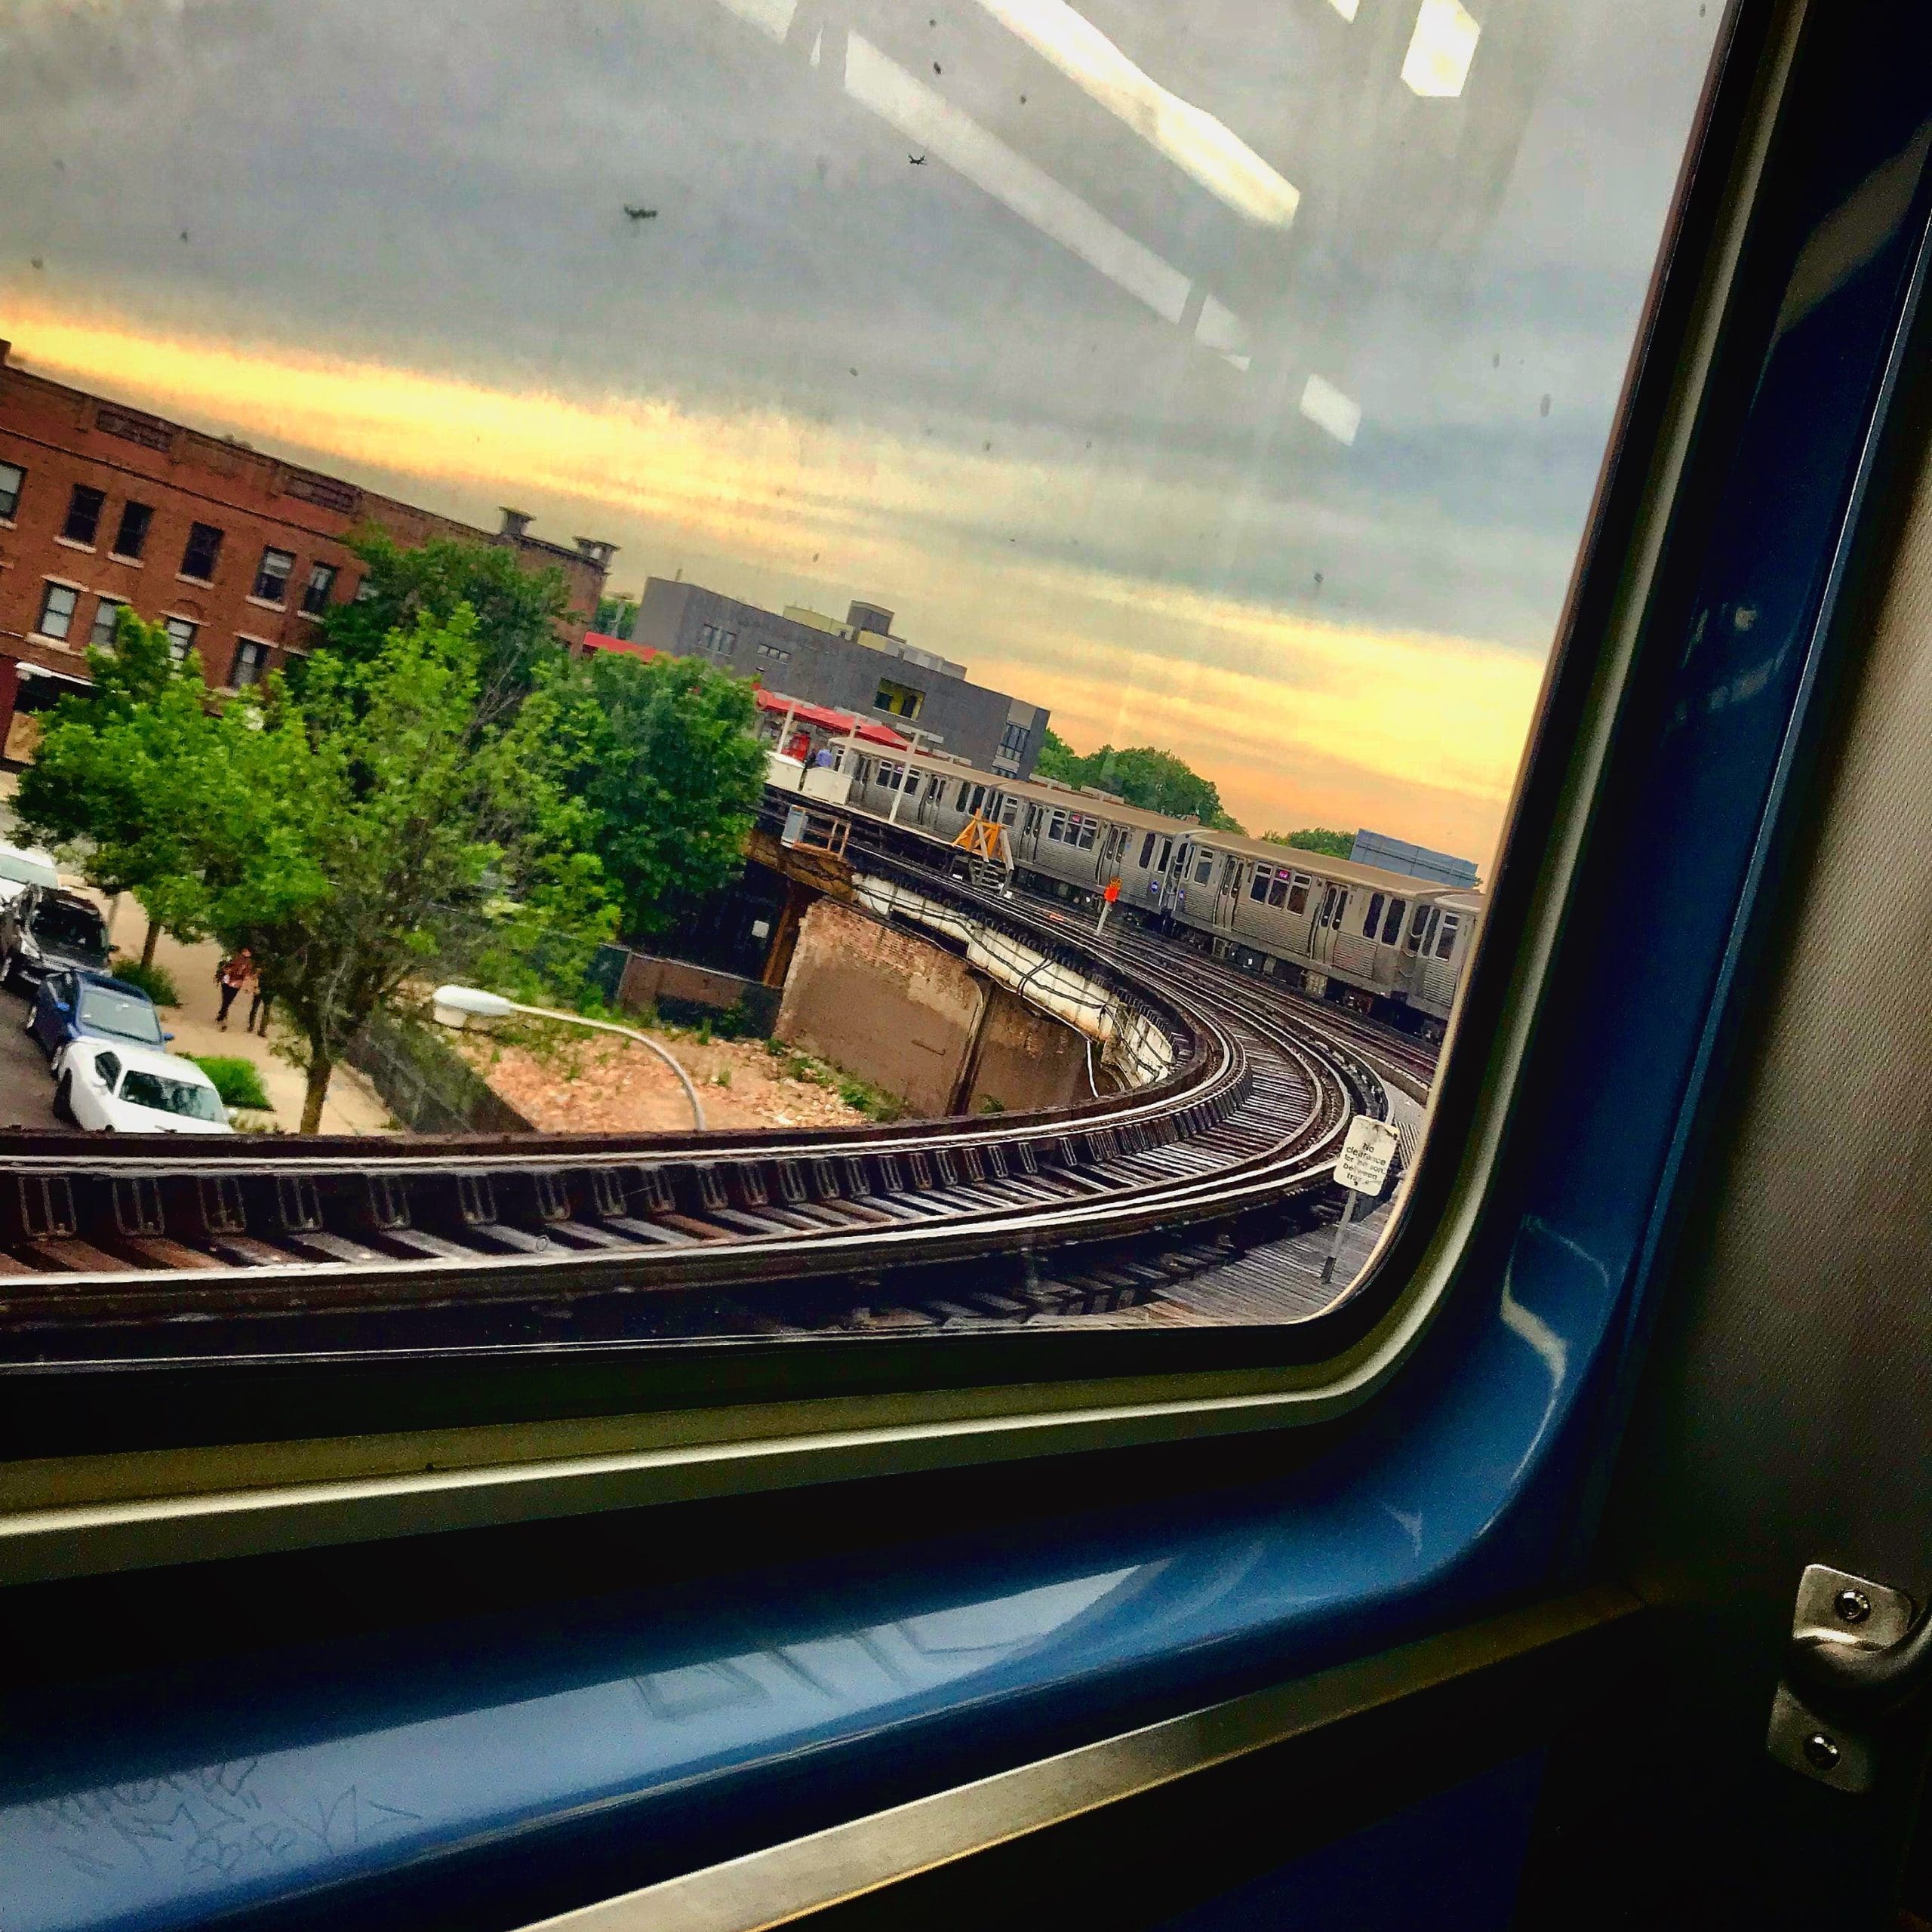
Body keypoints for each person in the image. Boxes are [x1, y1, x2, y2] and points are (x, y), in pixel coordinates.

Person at [215, 948, 252, 1031]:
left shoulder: (248, 964)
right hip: (228, 981)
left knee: (227, 1001)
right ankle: (223, 1017)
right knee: (226, 1000)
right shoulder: (235, 959)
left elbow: (245, 975)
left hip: (236, 983)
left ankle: (222, 1015)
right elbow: (227, 968)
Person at [248, 964, 273, 1036]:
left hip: (265, 990)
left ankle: (253, 1027)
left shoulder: (264, 968)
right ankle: (259, 1029)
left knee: (258, 1008)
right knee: (263, 1009)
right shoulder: (275, 970)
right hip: (265, 990)